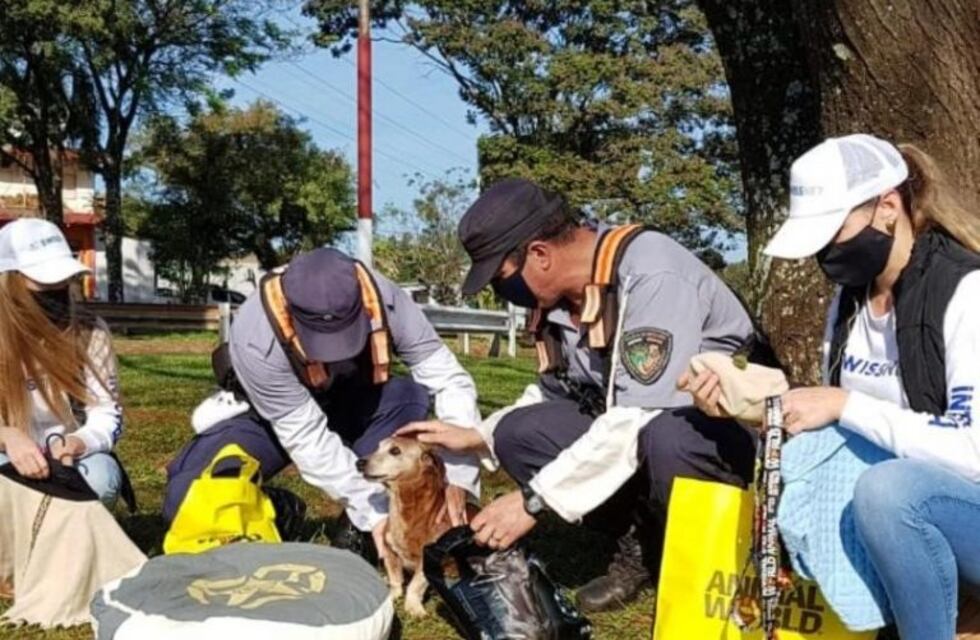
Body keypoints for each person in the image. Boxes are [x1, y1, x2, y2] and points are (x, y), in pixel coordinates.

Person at [401, 178, 772, 613]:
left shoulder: (651, 273)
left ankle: (714, 561)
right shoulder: (559, 301)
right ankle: (642, 540)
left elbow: (640, 414)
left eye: (501, 277)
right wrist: (479, 435)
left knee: (668, 436)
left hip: (720, 437)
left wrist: (533, 500)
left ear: (539, 254)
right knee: (518, 433)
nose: (502, 291)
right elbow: (556, 392)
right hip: (642, 429)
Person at [683, 134, 980, 640]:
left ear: (888, 208)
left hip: (947, 500)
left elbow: (972, 452)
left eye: (832, 232)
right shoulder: (848, 302)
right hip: (919, 518)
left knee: (889, 491)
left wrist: (845, 403)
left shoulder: (966, 291)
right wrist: (750, 404)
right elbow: (839, 432)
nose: (825, 253)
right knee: (853, 478)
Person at [163, 247, 482, 561]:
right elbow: (306, 436)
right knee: (186, 499)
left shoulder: (387, 299)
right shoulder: (255, 335)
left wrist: (458, 475)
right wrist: (369, 508)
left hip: (354, 404)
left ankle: (368, 518)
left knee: (408, 396)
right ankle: (277, 507)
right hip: (270, 418)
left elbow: (448, 380)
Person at [0, 218, 124, 503]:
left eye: (63, 280)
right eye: (45, 283)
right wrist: (7, 436)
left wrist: (80, 441)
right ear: (9, 282)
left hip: (67, 459)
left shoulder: (90, 332)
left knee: (102, 477)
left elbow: (107, 411)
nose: (58, 288)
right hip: (6, 455)